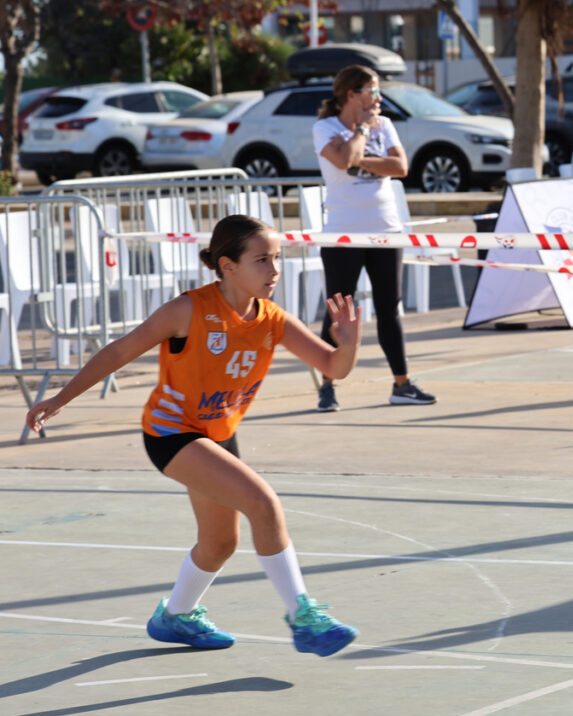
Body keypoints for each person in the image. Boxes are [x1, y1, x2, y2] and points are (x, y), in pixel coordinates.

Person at [26, 215, 363, 657]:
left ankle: (176, 616)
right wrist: (61, 398)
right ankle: (304, 617)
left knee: (221, 542)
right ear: (227, 266)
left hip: (217, 434)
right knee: (264, 504)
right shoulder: (189, 310)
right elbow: (119, 350)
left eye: (277, 258)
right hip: (171, 432)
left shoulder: (273, 319)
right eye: (261, 260)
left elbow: (334, 368)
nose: (274, 270)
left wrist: (350, 343)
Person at [312, 64, 436, 411]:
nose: (379, 97)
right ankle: (327, 386)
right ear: (353, 94)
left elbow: (400, 168)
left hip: (385, 229)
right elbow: (341, 162)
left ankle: (402, 384)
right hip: (343, 233)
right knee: (339, 309)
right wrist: (363, 133)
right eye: (373, 90)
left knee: (389, 307)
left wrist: (359, 160)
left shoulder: (387, 125)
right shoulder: (326, 127)